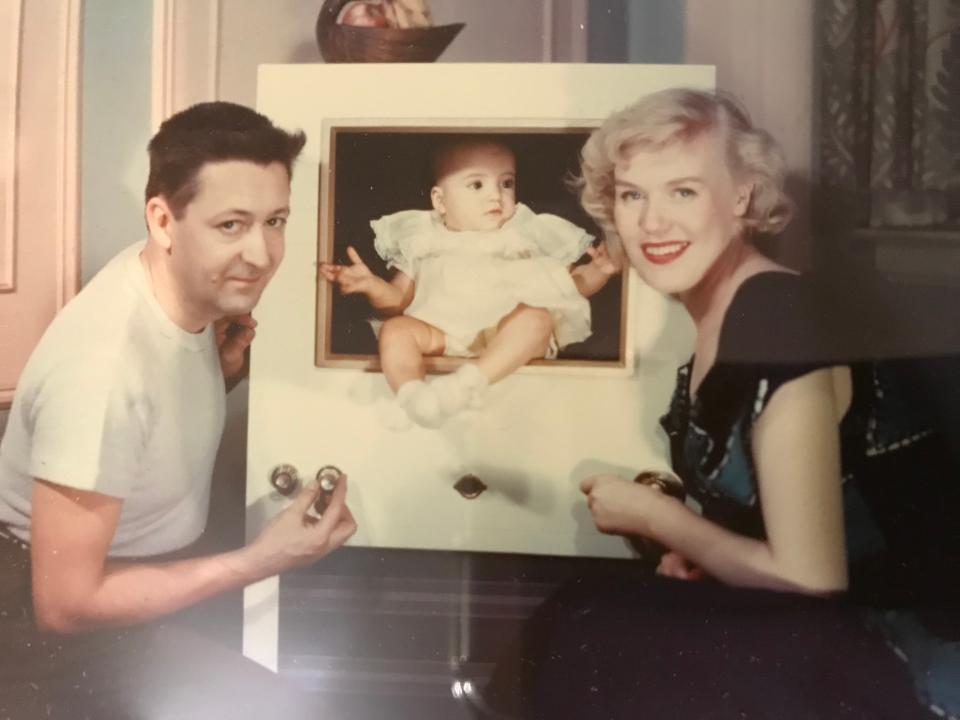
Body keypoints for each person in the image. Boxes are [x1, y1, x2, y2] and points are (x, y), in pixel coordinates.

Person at [484, 89, 959, 719]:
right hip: (832, 630)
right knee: (581, 616)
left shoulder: (775, 316)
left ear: (741, 198)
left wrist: (655, 518)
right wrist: (703, 557)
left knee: (587, 631)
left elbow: (813, 580)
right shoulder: (722, 314)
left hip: (904, 655)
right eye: (632, 195)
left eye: (683, 191)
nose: (652, 223)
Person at [0, 102, 357, 718]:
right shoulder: (102, 370)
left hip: (143, 573)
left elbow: (143, 425)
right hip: (53, 626)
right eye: (231, 225)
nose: (263, 252)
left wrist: (217, 374)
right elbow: (63, 605)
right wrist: (262, 560)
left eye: (275, 220)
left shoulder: (174, 289)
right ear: (163, 220)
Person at [320, 136, 618, 428]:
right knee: (395, 330)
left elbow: (569, 285)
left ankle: (467, 384)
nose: (495, 196)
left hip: (502, 333)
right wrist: (372, 285)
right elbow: (398, 300)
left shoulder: (524, 233)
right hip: (438, 333)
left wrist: (600, 270)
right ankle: (412, 397)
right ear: (440, 200)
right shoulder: (424, 238)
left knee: (537, 319)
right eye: (477, 185)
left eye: (506, 183)